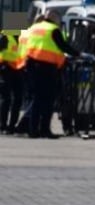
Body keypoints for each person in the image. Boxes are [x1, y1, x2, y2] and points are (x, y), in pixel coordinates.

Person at [21, 11, 84, 139]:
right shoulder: (53, 29)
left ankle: (33, 130)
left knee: (36, 99)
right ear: (54, 18)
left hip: (31, 66)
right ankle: (45, 130)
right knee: (48, 100)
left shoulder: (34, 28)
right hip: (46, 68)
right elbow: (63, 46)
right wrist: (79, 54)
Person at [0, 30, 25, 134]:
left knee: (18, 98)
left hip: (18, 69)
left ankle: (12, 125)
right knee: (6, 98)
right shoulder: (5, 36)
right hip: (5, 68)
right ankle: (2, 125)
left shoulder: (22, 37)